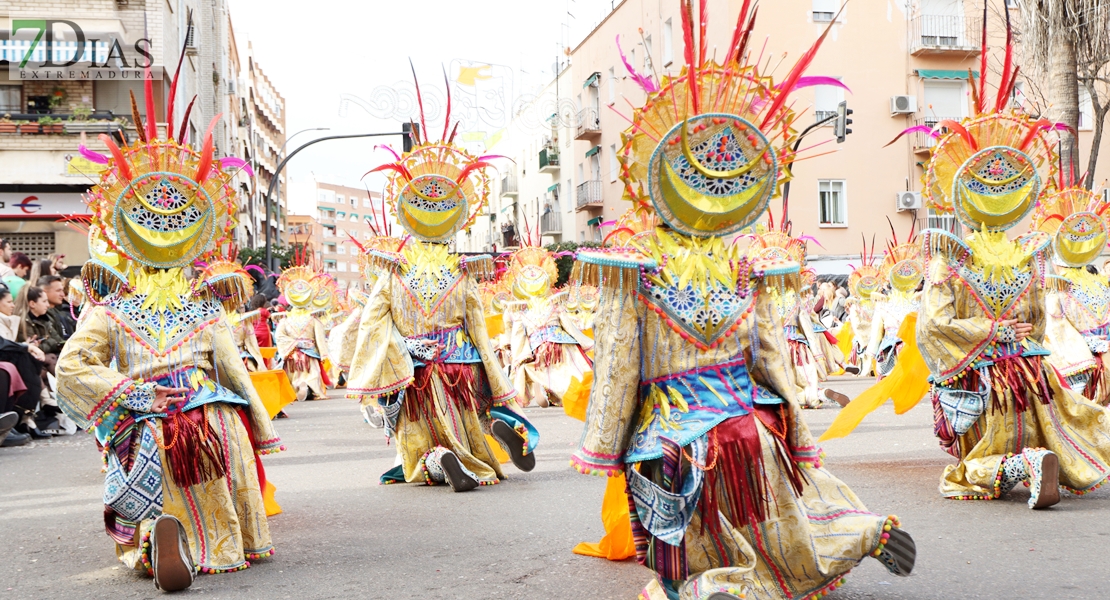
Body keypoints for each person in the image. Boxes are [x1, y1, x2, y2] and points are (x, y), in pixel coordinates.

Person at [571, 6, 914, 598]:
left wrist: (604, 447)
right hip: (752, 423)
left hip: (678, 438)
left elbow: (619, 368)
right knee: (789, 519)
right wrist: (800, 439)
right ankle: (857, 533)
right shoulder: (752, 266)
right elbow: (773, 363)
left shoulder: (632, 267)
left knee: (687, 563)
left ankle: (713, 586)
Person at [55, 67, 282, 591]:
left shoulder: (110, 309)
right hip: (210, 423)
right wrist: (262, 432)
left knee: (144, 502)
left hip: (144, 423)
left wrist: (126, 394)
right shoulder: (205, 308)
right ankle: (211, 544)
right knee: (227, 516)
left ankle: (156, 545)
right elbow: (231, 369)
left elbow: (72, 366)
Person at [347, 78, 538, 492]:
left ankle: (437, 460)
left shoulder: (392, 272)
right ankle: (497, 429)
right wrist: (498, 386)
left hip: (415, 371)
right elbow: (480, 335)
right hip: (460, 367)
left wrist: (397, 351)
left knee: (416, 452)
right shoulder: (464, 273)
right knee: (471, 433)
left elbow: (371, 326)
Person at [274, 250, 335, 402]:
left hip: (293, 353)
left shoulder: (285, 319)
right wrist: (324, 354)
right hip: (310, 354)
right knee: (312, 375)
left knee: (293, 376)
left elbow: (280, 336)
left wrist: (293, 344)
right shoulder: (314, 319)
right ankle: (311, 388)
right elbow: (320, 338)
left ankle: (297, 388)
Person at [36, 275, 75, 340]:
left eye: (62, 290)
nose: (62, 294)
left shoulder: (61, 313)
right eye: (58, 290)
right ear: (44, 292)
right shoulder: (40, 315)